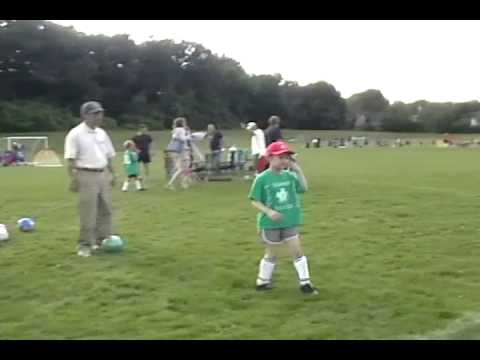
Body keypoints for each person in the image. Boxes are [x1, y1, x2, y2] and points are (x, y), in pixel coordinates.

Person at [248, 141, 318, 295]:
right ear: (270, 158)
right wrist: (268, 212)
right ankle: (262, 281)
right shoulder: (262, 179)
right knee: (272, 254)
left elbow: (304, 188)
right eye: (281, 157)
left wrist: (298, 171)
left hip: (290, 220)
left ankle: (305, 284)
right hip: (270, 223)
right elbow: (254, 200)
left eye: (287, 157)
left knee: (297, 251)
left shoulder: (289, 176)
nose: (285, 160)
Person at [64, 101, 117, 257]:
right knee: (88, 211)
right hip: (85, 174)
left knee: (106, 209)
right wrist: (74, 179)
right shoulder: (75, 134)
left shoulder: (102, 133)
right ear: (85, 115)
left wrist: (114, 173)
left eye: (100, 113)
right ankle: (85, 244)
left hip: (102, 174)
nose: (99, 116)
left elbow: (109, 155)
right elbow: (71, 159)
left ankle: (102, 240)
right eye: (95, 113)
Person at [165, 117, 191, 190]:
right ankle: (171, 184)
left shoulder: (175, 130)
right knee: (181, 168)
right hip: (178, 150)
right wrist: (188, 136)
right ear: (182, 123)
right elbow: (183, 139)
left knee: (179, 168)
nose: (185, 123)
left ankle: (182, 183)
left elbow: (175, 137)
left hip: (172, 150)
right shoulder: (181, 130)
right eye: (184, 122)